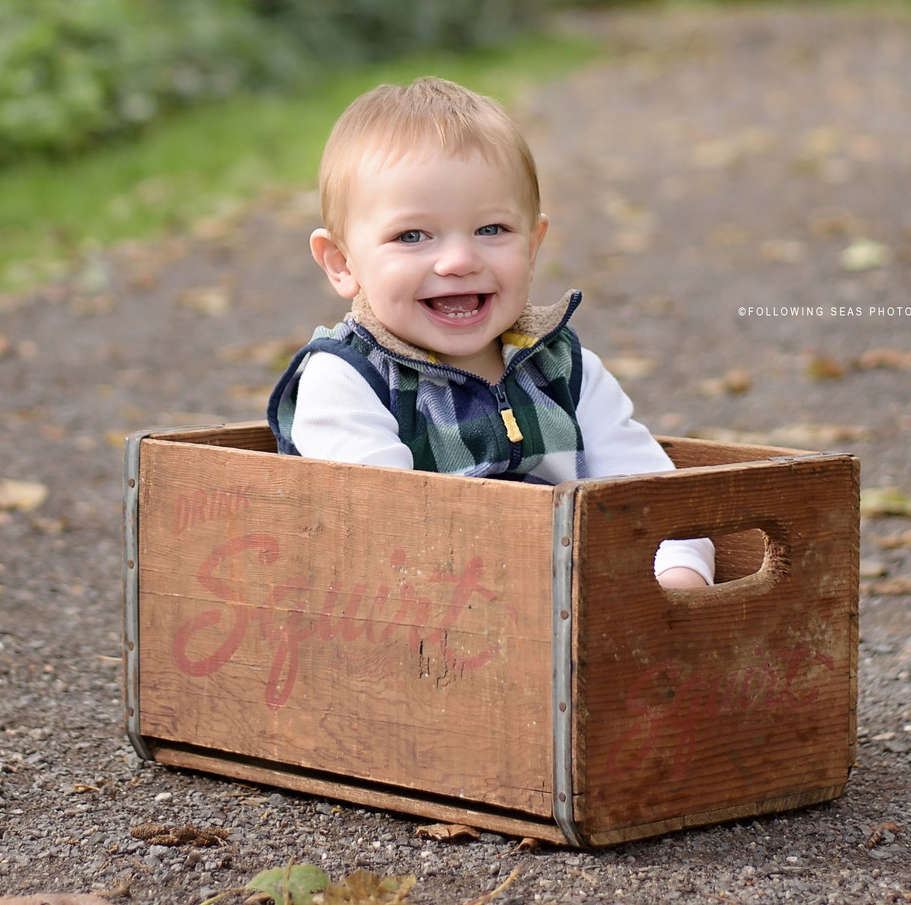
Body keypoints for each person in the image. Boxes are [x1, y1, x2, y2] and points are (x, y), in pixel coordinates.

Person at [265, 77, 715, 588]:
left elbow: (659, 501)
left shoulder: (566, 371)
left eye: (491, 230)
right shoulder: (347, 380)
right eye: (412, 236)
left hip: (577, 615)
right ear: (343, 263)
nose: (459, 261)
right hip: (416, 627)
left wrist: (677, 578)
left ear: (531, 245)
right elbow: (383, 534)